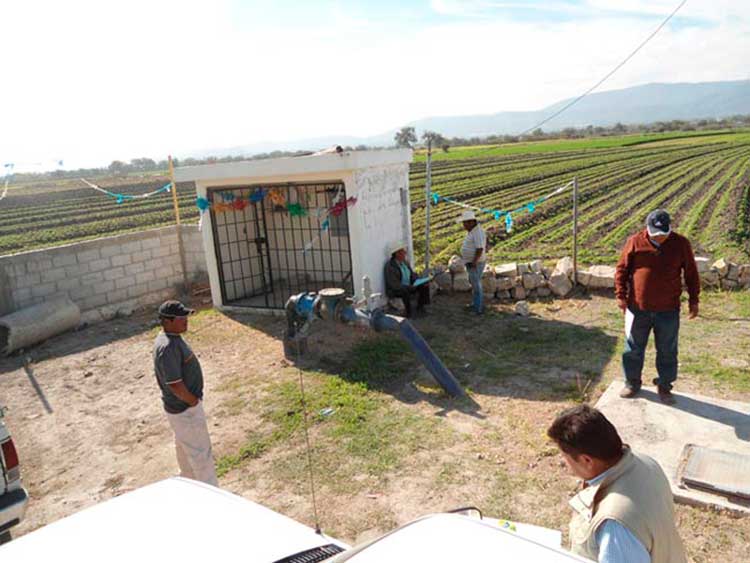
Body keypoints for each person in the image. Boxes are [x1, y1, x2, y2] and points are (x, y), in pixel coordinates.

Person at [547, 404, 687, 563]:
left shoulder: (614, 524)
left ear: (587, 460)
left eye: (565, 456)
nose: (563, 462)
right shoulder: (646, 463)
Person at [614, 209, 700, 405]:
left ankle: (664, 385)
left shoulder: (681, 244)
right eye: (656, 234)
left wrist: (694, 300)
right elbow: (622, 269)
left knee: (667, 350)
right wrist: (621, 295)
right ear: (647, 229)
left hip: (668, 309)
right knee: (633, 348)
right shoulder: (635, 242)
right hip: (638, 308)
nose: (660, 238)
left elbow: (691, 274)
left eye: (663, 233)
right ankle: (632, 383)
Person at [153, 300, 218, 486]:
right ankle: (214, 499)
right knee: (201, 458)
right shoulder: (168, 347)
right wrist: (193, 402)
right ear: (168, 321)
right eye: (181, 318)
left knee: (186, 458)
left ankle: (190, 488)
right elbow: (174, 384)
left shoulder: (170, 338)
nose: (186, 321)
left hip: (179, 411)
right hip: (185, 412)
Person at [384, 242, 430, 318]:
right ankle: (409, 312)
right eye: (402, 252)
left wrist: (418, 281)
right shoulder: (390, 266)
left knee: (424, 285)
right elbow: (394, 284)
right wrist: (408, 287)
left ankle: (421, 307)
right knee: (404, 291)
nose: (405, 253)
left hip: (408, 286)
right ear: (397, 254)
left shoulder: (405, 262)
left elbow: (412, 274)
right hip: (396, 290)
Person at [459, 210, 486, 314]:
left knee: (476, 286)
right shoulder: (473, 231)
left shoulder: (477, 232)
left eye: (465, 223)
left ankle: (477, 309)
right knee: (474, 284)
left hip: (475, 263)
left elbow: (480, 248)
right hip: (472, 262)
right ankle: (475, 304)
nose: (464, 225)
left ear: (471, 222)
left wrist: (474, 261)